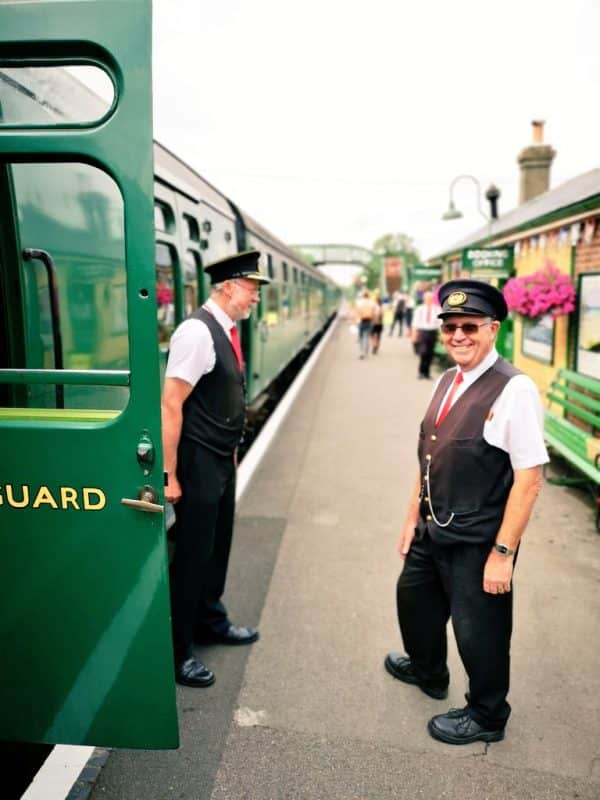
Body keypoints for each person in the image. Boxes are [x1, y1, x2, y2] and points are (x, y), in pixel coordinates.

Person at [384, 279, 548, 745]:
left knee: (481, 634)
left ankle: (488, 715)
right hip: (432, 528)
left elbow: (529, 479)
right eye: (450, 326)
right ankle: (428, 671)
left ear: (492, 328)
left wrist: (503, 553)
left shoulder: (515, 390)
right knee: (413, 601)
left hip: (479, 542)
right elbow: (429, 451)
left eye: (469, 326)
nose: (458, 335)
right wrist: (411, 515)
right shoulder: (447, 378)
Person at [161, 250, 269, 688]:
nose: (255, 299)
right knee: (191, 556)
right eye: (251, 290)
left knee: (217, 546)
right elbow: (171, 403)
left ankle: (211, 620)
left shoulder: (224, 330)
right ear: (227, 287)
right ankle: (177, 652)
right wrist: (169, 475)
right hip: (198, 462)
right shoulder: (196, 332)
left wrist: (233, 449)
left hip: (221, 459)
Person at [411, 290, 441, 378]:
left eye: (429, 298)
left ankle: (427, 373)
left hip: (432, 332)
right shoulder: (419, 309)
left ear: (432, 299)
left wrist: (441, 334)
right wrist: (414, 335)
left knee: (430, 353)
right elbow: (415, 323)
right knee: (423, 352)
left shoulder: (437, 309)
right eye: (426, 298)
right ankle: (421, 372)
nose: (428, 300)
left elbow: (440, 323)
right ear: (424, 299)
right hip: (423, 332)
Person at [354, 289, 377, 359]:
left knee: (361, 337)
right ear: (369, 296)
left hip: (361, 321)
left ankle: (361, 352)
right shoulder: (372, 303)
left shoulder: (359, 303)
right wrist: (373, 321)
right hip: (369, 321)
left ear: (363, 296)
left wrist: (356, 322)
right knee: (367, 337)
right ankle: (366, 352)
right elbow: (374, 313)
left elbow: (357, 313)